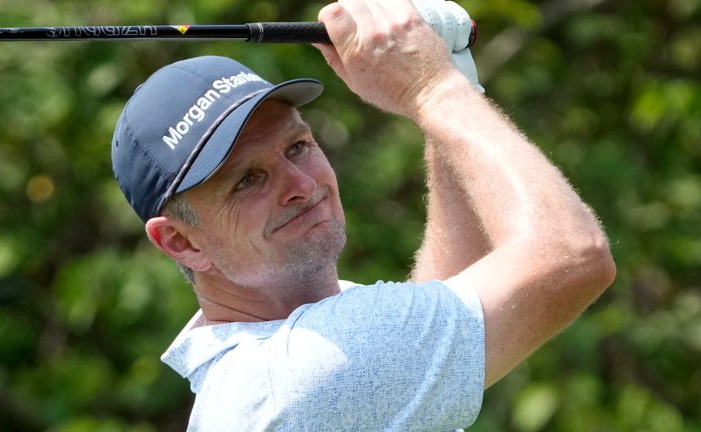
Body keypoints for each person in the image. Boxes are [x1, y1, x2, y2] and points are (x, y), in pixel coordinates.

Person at [110, 0, 616, 430]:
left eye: (298, 146)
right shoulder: (299, 375)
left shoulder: (270, 360)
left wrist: (452, 74)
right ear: (181, 242)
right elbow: (572, 256)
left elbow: (444, 304)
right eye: (248, 181)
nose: (302, 186)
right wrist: (433, 91)